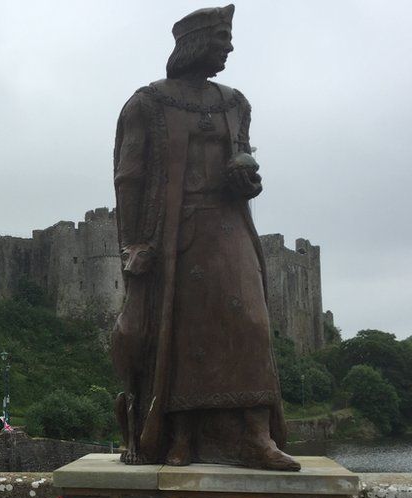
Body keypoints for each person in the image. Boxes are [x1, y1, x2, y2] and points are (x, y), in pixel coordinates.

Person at [111, 4, 298, 471]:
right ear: (195, 43)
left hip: (231, 230)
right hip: (175, 233)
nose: (229, 48)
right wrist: (133, 245)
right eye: (221, 39)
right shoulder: (147, 103)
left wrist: (248, 182)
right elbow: (128, 179)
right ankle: (181, 437)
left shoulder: (235, 103)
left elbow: (246, 163)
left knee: (250, 326)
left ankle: (256, 436)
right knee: (183, 334)